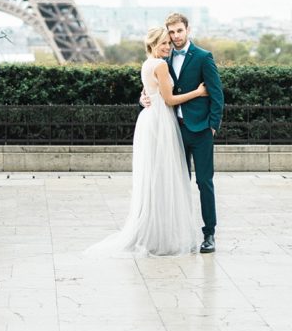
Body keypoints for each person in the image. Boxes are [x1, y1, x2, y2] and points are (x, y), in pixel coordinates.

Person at [85, 26, 207, 258]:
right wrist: (198, 93)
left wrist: (146, 97)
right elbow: (169, 99)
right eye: (163, 44)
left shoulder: (147, 63)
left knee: (153, 179)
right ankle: (163, 235)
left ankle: (152, 232)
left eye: (169, 44)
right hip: (160, 121)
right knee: (164, 178)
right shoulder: (160, 65)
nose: (168, 47)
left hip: (149, 120)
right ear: (152, 44)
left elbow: (149, 93)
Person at [141, 12, 225, 253]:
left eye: (179, 31)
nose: (176, 36)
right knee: (175, 183)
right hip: (172, 130)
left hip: (199, 130)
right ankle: (179, 232)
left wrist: (212, 125)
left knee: (204, 182)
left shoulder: (202, 57)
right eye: (172, 32)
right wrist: (143, 98)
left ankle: (209, 234)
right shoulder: (163, 57)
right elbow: (153, 88)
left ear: (187, 29)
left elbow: (216, 93)